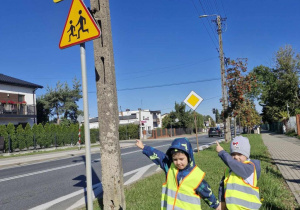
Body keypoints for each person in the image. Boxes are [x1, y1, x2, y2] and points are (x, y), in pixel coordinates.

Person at [136, 137, 220, 209]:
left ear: (188, 156)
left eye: (181, 159)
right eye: (175, 160)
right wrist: (144, 147)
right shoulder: (169, 167)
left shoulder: (195, 175)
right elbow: (159, 156)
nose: (178, 163)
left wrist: (216, 205)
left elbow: (206, 193)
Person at [216, 136, 262, 210]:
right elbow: (222, 186)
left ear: (246, 155)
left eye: (239, 154)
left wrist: (222, 153)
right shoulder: (230, 170)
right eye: (233, 154)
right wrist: (222, 202)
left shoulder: (249, 167)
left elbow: (235, 165)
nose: (236, 157)